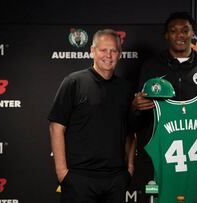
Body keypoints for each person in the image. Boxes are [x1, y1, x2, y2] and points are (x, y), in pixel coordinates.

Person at [131, 11, 197, 202]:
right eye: (174, 31)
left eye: (185, 30)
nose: (180, 35)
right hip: (158, 162)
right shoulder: (151, 67)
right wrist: (135, 108)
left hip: (195, 165)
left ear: (193, 34)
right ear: (166, 35)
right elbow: (136, 123)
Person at [48, 29, 136, 203]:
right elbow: (56, 127)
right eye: (103, 50)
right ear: (92, 51)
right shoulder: (74, 82)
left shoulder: (125, 88)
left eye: (113, 51)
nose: (108, 55)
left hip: (115, 179)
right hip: (79, 178)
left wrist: (130, 168)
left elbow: (130, 132)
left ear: (119, 54)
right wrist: (62, 173)